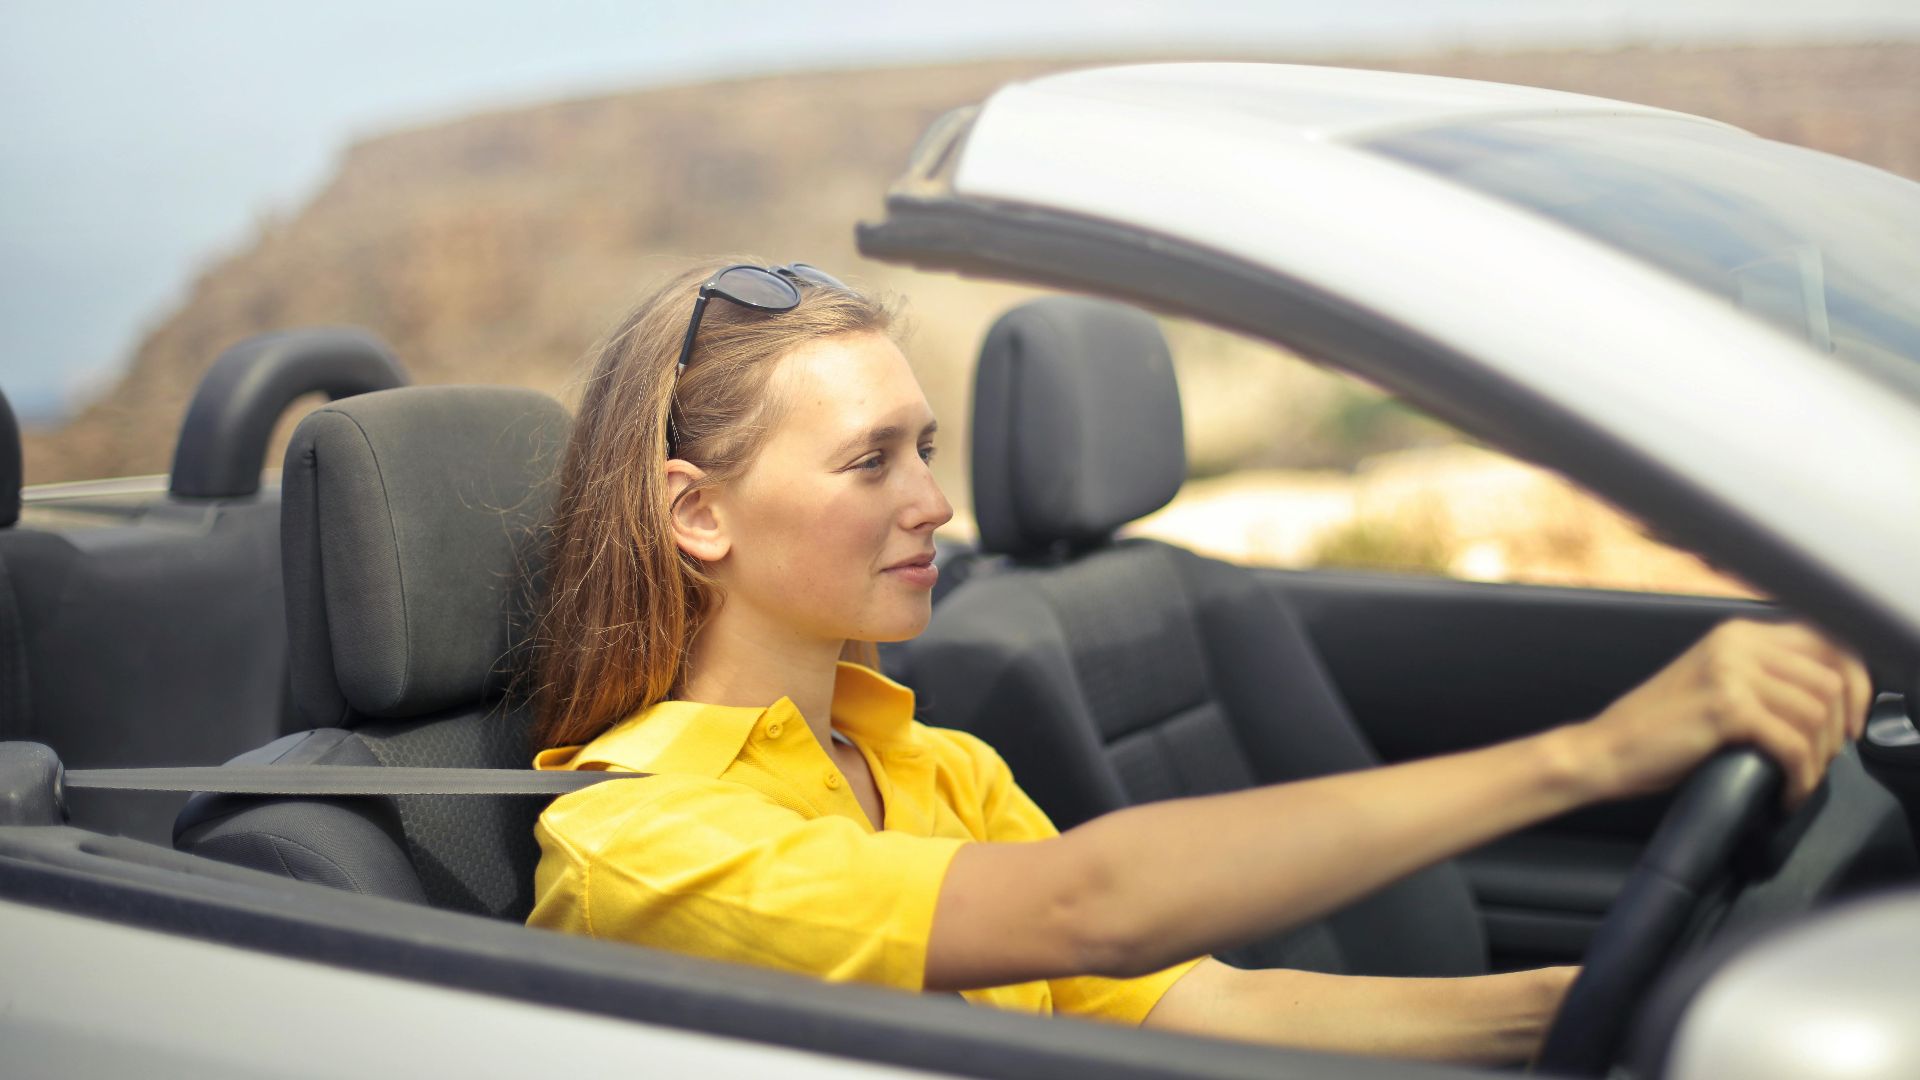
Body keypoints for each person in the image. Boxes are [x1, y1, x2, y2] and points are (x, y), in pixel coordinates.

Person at [523, 260, 1871, 1065]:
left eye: (925, 448)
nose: (933, 501)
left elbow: (1196, 1004)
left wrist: (1611, 1006)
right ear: (696, 511)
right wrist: (1589, 757)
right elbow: (1084, 909)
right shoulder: (644, 841)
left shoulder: (930, 765)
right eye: (871, 460)